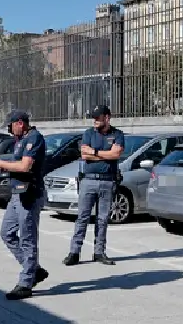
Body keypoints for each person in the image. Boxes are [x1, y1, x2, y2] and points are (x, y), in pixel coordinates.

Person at [0, 109, 48, 300]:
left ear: (20, 123)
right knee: (6, 232)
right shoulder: (20, 140)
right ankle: (33, 269)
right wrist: (2, 164)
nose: (9, 130)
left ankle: (26, 283)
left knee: (28, 239)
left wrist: (0, 162)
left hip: (29, 194)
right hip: (17, 193)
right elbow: (17, 164)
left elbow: (25, 166)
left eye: (11, 126)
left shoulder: (34, 138)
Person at [62, 105, 125, 266]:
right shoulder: (89, 133)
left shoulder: (117, 134)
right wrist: (106, 155)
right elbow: (84, 154)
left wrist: (95, 153)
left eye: (98, 117)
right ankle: (74, 252)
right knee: (82, 217)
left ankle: (99, 252)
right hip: (88, 180)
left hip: (107, 180)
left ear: (107, 118)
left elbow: (116, 154)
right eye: (94, 117)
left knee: (103, 219)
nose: (95, 120)